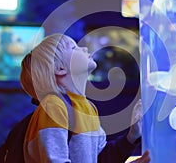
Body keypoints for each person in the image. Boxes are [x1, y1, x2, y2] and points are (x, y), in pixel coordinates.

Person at [20, 33, 150, 163]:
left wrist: (131, 137)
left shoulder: (87, 107)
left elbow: (101, 158)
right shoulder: (54, 105)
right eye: (73, 48)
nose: (84, 48)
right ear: (60, 68)